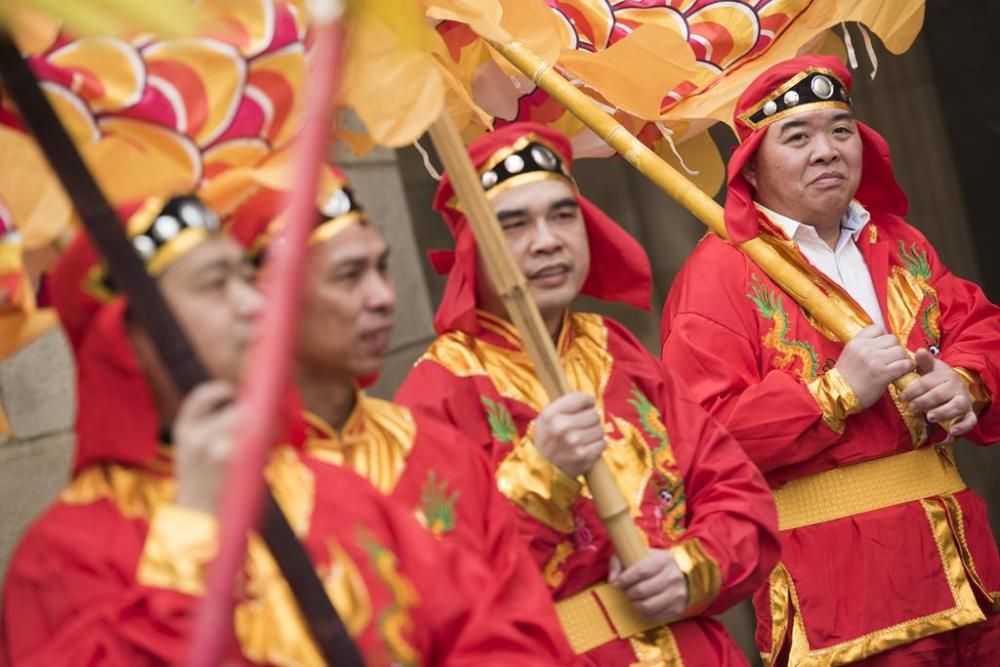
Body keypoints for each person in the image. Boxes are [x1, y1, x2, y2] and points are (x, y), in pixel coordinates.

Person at [0, 194, 567, 666]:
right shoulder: (64, 556)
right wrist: (190, 529)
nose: (255, 304)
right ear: (128, 337)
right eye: (216, 284)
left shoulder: (335, 492)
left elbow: (492, 633)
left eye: (249, 278)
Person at [395, 122, 780, 665]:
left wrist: (689, 569)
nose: (548, 239)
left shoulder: (617, 350)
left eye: (561, 214)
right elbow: (432, 589)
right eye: (513, 224)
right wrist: (540, 475)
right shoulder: (435, 395)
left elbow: (738, 498)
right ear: (471, 245)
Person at [661, 54, 1000, 665]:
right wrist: (836, 391)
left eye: (840, 130)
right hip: (841, 596)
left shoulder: (899, 241)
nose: (827, 151)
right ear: (752, 169)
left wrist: (965, 381)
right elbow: (699, 439)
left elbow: (978, 327)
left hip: (966, 571)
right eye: (797, 137)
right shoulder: (718, 275)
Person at [225, 165, 577, 664]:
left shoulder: (438, 451)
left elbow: (523, 626)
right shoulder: (219, 492)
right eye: (350, 276)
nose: (383, 297)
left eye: (382, 269)